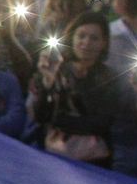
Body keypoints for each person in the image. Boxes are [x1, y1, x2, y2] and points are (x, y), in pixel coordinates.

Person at [28, 13, 122, 165]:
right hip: (52, 154)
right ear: (72, 38)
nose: (86, 43)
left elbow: (102, 122)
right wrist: (47, 82)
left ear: (104, 43)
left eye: (94, 38)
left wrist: (60, 120)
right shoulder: (56, 68)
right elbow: (40, 116)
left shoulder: (110, 77)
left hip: (94, 159)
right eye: (81, 36)